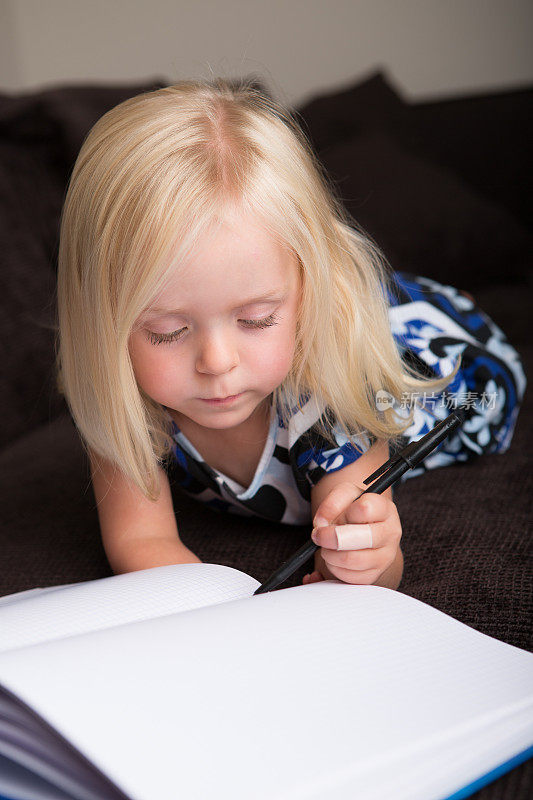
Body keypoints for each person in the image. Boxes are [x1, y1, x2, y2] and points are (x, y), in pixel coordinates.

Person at [55, 78, 526, 589]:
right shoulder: (121, 397)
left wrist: (363, 555)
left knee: (427, 360)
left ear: (307, 290)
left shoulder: (336, 399)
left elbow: (374, 562)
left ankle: (439, 304)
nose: (216, 361)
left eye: (255, 319)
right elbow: (141, 541)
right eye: (167, 331)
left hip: (458, 381)